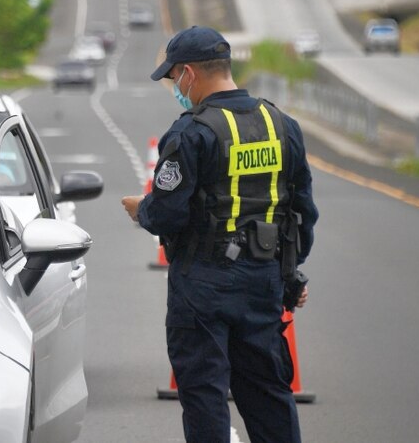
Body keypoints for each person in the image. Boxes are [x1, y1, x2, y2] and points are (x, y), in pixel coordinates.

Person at [120, 26, 318, 443]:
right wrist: (289, 274)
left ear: (189, 73)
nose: (175, 88)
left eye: (173, 79)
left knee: (205, 394)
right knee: (267, 392)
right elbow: (302, 212)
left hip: (203, 285)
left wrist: (142, 211)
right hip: (264, 280)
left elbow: (167, 214)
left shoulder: (192, 132)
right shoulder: (281, 124)